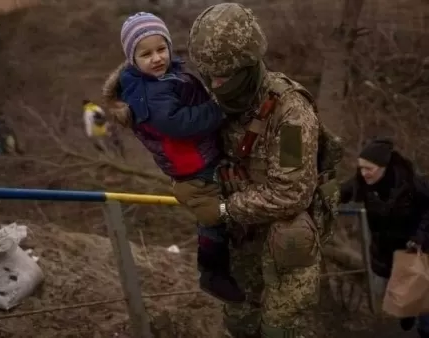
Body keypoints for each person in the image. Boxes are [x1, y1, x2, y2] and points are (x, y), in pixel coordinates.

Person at [179, 3, 343, 337]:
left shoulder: (291, 113)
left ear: (248, 66)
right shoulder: (217, 103)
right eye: (210, 76)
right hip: (242, 241)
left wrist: (223, 209)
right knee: (239, 323)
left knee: (280, 329)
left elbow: (291, 193)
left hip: (286, 245)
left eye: (224, 77)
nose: (216, 84)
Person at [102, 12, 244, 304]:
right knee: (213, 218)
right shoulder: (148, 93)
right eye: (146, 54)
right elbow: (180, 125)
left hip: (202, 160)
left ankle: (226, 267)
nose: (156, 58)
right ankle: (212, 273)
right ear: (132, 59)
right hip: (193, 170)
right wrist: (218, 109)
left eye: (161, 49)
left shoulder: (168, 76)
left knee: (223, 215)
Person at [340, 137, 429, 338]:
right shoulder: (362, 183)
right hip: (386, 249)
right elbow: (337, 193)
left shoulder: (410, 182)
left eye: (369, 168)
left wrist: (419, 235)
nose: (364, 173)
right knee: (396, 290)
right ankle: (407, 310)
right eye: (361, 168)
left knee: (422, 293)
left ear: (384, 167)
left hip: (417, 246)